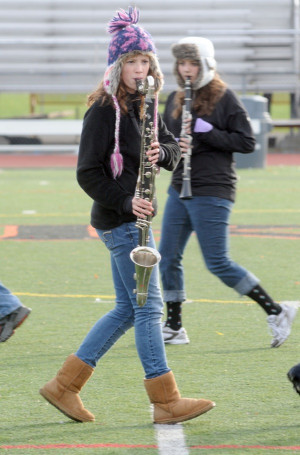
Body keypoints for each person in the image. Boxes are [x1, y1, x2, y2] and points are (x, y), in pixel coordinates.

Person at [39, 8, 215, 425]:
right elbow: (87, 172)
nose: (140, 69)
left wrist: (163, 153)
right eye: (132, 62)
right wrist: (125, 203)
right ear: (117, 66)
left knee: (125, 309)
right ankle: (166, 399)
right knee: (150, 308)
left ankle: (64, 387)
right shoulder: (103, 110)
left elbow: (172, 148)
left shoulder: (146, 103)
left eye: (145, 62)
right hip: (122, 222)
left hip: (133, 220)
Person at [159, 36, 298, 348]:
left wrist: (206, 132)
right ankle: (174, 325)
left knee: (217, 261)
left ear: (206, 64)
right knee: (166, 256)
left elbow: (246, 142)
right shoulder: (176, 97)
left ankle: (277, 311)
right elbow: (166, 138)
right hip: (180, 185)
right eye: (182, 63)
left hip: (213, 188)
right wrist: (174, 147)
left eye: (192, 62)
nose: (186, 69)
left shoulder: (225, 97)